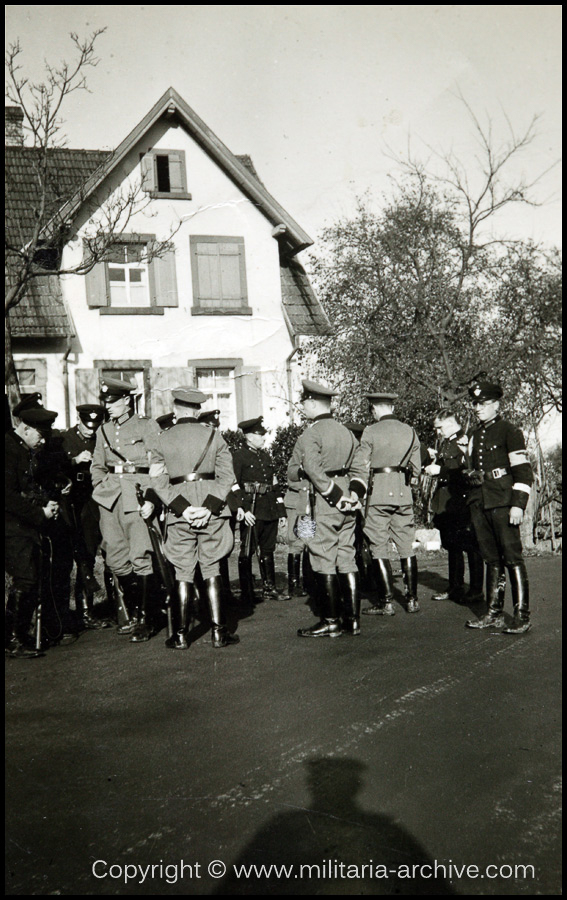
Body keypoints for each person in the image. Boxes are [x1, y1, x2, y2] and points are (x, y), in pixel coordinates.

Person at [148, 387, 239, 649]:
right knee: (211, 567)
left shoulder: (161, 439)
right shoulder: (214, 435)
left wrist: (183, 508)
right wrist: (208, 508)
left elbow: (157, 479)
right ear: (197, 410)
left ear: (176, 409)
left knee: (183, 570)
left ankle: (179, 636)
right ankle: (220, 634)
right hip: (211, 510)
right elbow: (226, 477)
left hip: (179, 514)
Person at [288, 380, 366, 638]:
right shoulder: (346, 431)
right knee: (346, 556)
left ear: (311, 403)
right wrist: (353, 495)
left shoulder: (311, 433)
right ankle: (352, 621)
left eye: (304, 403)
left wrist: (334, 496)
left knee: (322, 556)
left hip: (322, 501)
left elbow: (312, 469)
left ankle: (331, 621)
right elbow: (360, 467)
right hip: (347, 499)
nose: (302, 407)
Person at [91, 375, 160, 642]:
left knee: (141, 556)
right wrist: (100, 485)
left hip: (137, 495)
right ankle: (135, 611)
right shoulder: (103, 430)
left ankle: (146, 618)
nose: (108, 406)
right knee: (116, 560)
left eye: (113, 401)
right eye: (105, 401)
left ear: (126, 401)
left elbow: (158, 464)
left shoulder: (147, 426)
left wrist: (153, 497)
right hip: (110, 499)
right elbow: (97, 465)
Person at [464, 382, 534, 634]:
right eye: (475, 404)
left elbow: (524, 472)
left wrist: (518, 505)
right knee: (491, 560)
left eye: (483, 404)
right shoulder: (473, 434)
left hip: (504, 501)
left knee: (512, 559)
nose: (477, 408)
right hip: (480, 502)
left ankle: (522, 616)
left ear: (496, 405)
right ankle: (493, 613)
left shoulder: (509, 431)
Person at [351, 392, 422, 616]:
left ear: (374, 408)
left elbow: (361, 466)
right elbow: (417, 469)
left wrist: (356, 492)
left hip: (378, 494)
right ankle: (412, 599)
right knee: (406, 546)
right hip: (403, 494)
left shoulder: (370, 431)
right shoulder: (410, 431)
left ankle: (386, 602)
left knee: (378, 546)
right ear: (391, 407)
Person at [5, 404, 59, 658]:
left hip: (21, 525)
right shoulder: (8, 448)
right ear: (25, 429)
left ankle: (19, 635)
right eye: (39, 434)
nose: (43, 440)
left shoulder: (21, 448)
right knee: (25, 578)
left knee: (29, 577)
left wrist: (44, 504)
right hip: (10, 526)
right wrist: (39, 514)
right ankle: (13, 638)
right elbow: (8, 496)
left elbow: (26, 489)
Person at [423, 409, 484, 603]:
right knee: (452, 545)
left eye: (439, 428)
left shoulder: (463, 442)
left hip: (460, 501)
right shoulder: (447, 443)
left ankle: (476, 590)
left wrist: (440, 470)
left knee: (470, 545)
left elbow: (467, 472)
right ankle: (455, 586)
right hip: (446, 502)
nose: (438, 433)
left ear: (450, 423)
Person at [60, 404, 110, 629]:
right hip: (73, 502)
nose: (91, 430)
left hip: (95, 498)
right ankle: (75, 612)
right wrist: (74, 460)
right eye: (87, 425)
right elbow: (54, 467)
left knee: (95, 550)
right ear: (79, 420)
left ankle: (94, 608)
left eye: (95, 426)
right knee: (76, 555)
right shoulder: (65, 439)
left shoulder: (103, 437)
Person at [231, 416, 289, 603]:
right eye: (260, 435)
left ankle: (269, 588)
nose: (264, 438)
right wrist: (241, 508)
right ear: (248, 436)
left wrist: (281, 511)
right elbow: (233, 485)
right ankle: (247, 591)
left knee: (268, 549)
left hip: (269, 509)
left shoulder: (266, 456)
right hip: (251, 510)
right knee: (247, 549)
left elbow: (274, 485)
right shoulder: (239, 456)